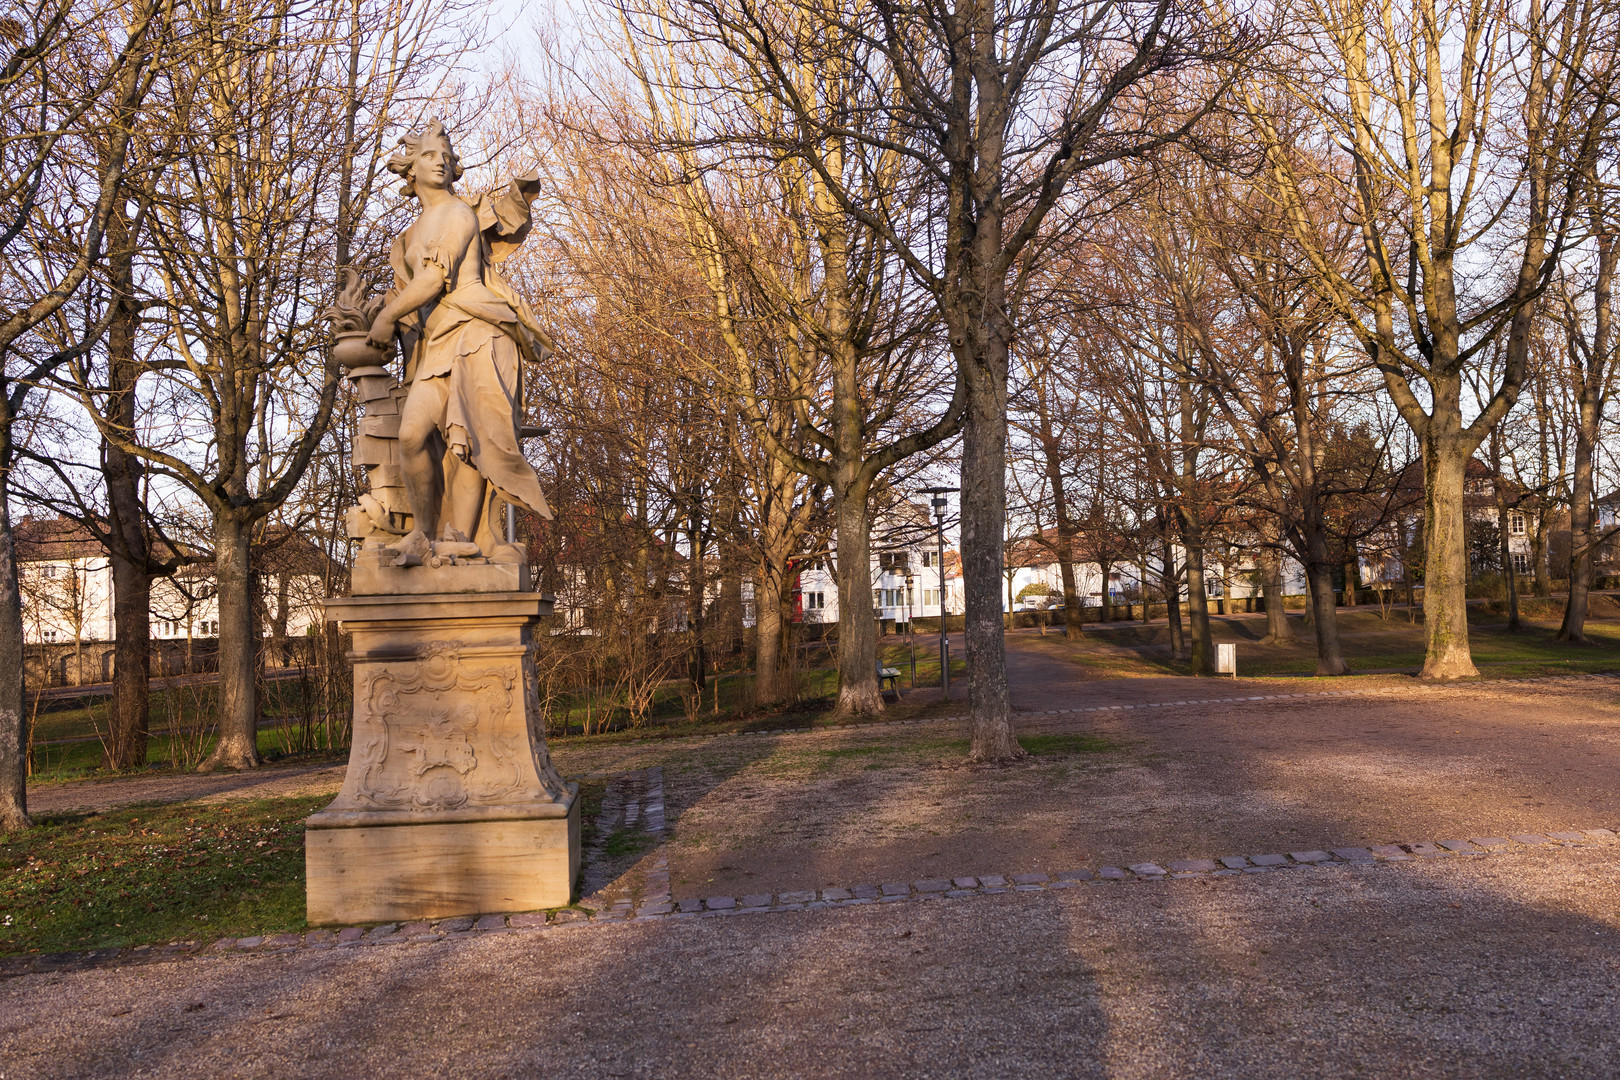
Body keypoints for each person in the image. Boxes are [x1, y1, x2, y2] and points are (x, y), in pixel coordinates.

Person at [366, 119, 551, 563]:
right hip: (439, 339)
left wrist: (389, 315)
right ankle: (423, 534)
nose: (442, 162)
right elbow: (412, 293)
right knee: (412, 435)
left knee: (469, 438)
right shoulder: (409, 235)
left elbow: (434, 277)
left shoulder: (457, 213)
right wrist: (384, 308)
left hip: (479, 332)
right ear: (410, 168)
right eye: (430, 155)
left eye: (447, 157)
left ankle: (460, 537)